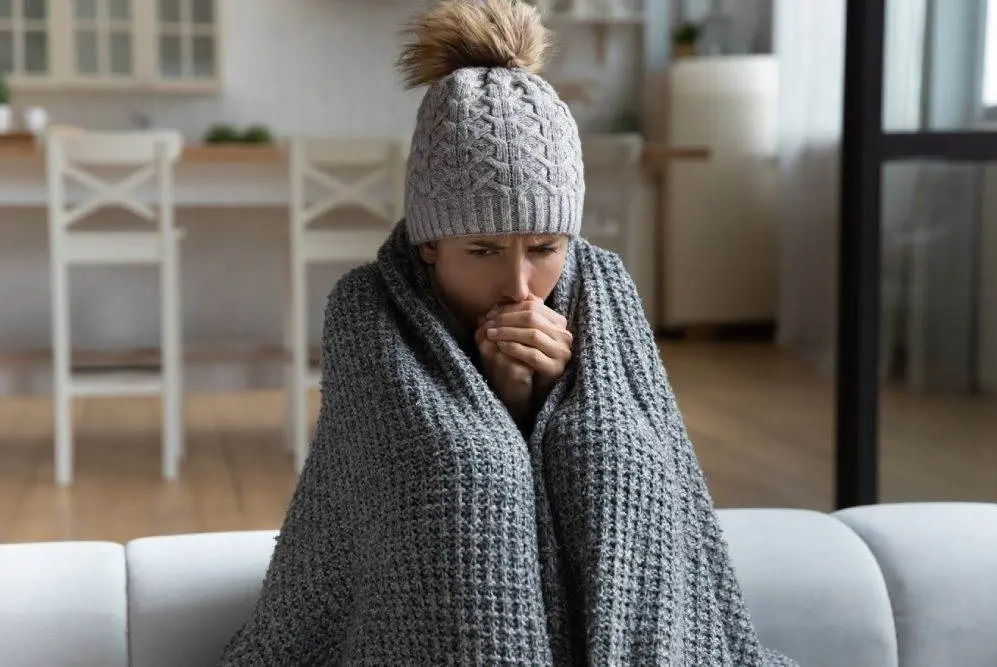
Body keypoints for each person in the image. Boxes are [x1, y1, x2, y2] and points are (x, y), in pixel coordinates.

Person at [218, 1, 798, 664]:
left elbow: (655, 469)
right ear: (431, 244)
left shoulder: (602, 289)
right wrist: (498, 402)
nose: (522, 285)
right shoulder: (366, 310)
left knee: (612, 452)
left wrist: (546, 394)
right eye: (485, 250)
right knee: (469, 468)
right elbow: (416, 481)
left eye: (546, 247)